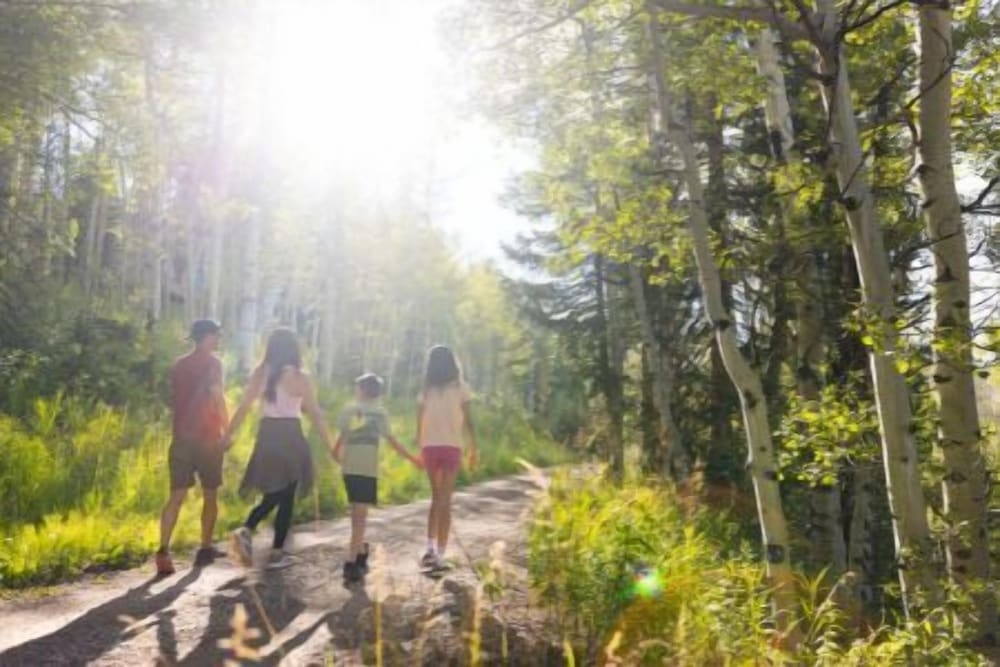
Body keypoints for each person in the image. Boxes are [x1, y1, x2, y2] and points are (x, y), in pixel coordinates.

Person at [223, 327, 335, 570]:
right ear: (294, 349)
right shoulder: (300, 376)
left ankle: (252, 532)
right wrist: (332, 445)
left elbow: (243, 407)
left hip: (268, 434)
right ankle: (269, 546)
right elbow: (315, 413)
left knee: (276, 492)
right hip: (291, 435)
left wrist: (228, 435)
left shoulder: (261, 373)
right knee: (287, 494)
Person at [331, 372, 422, 583]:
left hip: (362, 469)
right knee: (357, 513)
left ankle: (351, 562)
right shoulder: (356, 411)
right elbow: (345, 437)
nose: (356, 391)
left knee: (359, 514)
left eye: (358, 387)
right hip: (355, 468)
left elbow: (390, 440)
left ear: (363, 390)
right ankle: (360, 551)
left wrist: (335, 454)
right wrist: (335, 453)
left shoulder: (374, 413)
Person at [156, 318, 229, 576]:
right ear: (205, 337)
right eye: (216, 335)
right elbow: (217, 396)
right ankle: (205, 548)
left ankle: (163, 550)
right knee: (210, 494)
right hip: (207, 438)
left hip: (181, 439)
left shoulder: (178, 365)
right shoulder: (213, 364)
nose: (219, 340)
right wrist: (226, 430)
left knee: (176, 495)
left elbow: (172, 399)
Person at [416, 345, 478, 570]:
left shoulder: (427, 389)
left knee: (436, 498)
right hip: (451, 447)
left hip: (430, 447)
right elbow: (470, 420)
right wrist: (474, 447)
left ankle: (430, 549)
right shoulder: (461, 387)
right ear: (453, 362)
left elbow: (419, 418)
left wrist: (419, 443)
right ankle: (440, 554)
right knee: (445, 500)